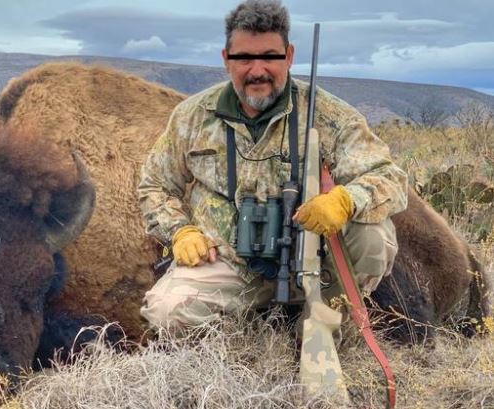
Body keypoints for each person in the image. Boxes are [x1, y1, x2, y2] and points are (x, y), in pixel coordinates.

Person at [138, 0, 407, 332]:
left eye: (269, 57)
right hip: (228, 263)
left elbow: (389, 177)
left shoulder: (328, 114)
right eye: (244, 58)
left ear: (289, 56)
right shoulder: (191, 117)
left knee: (373, 235)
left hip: (312, 261)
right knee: (167, 313)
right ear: (226, 60)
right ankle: (246, 323)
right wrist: (180, 231)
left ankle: (334, 312)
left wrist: (345, 200)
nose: (257, 70)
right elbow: (154, 187)